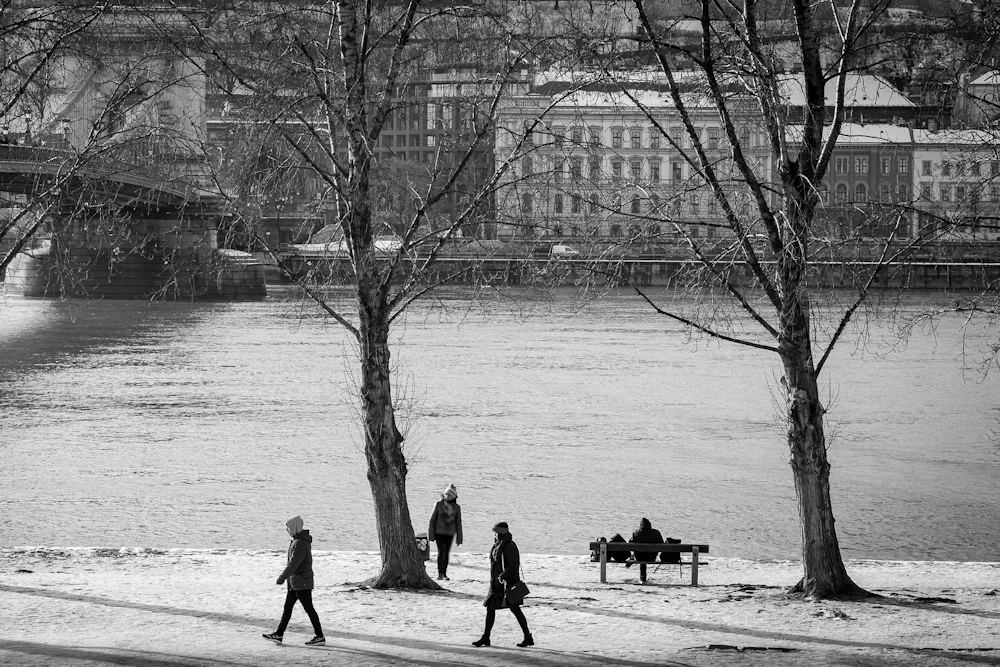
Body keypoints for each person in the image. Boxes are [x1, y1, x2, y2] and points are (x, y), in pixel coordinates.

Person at [263, 516, 325, 646]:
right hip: (295, 582)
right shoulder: (297, 541)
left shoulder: (300, 543)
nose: (287, 530)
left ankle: (319, 636)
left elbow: (293, 564)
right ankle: (279, 634)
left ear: (295, 527)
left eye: (288, 527)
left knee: (309, 608)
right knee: (288, 608)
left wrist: (282, 577)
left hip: (302, 582)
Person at [472, 521, 533, 648]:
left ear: (500, 533)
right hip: (496, 584)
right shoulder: (498, 544)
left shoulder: (510, 546)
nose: (493, 535)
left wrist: (502, 576)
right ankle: (486, 637)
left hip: (507, 584)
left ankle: (527, 637)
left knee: (515, 609)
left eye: (495, 532)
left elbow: (513, 565)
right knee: (490, 608)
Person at [427, 483, 463, 580]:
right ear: (444, 494)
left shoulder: (457, 508)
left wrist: (459, 538)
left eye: (450, 495)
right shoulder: (438, 504)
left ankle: (444, 573)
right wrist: (430, 534)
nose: (448, 497)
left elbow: (458, 523)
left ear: (454, 497)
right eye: (447, 494)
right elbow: (432, 520)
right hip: (439, 533)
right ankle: (440, 573)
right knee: (441, 551)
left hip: (450, 533)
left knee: (446, 553)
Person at [630, 517, 664, 583]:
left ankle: (642, 578)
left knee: (640, 553)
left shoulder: (636, 533)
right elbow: (662, 546)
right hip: (651, 557)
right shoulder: (656, 532)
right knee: (644, 553)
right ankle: (643, 578)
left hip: (639, 558)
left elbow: (631, 546)